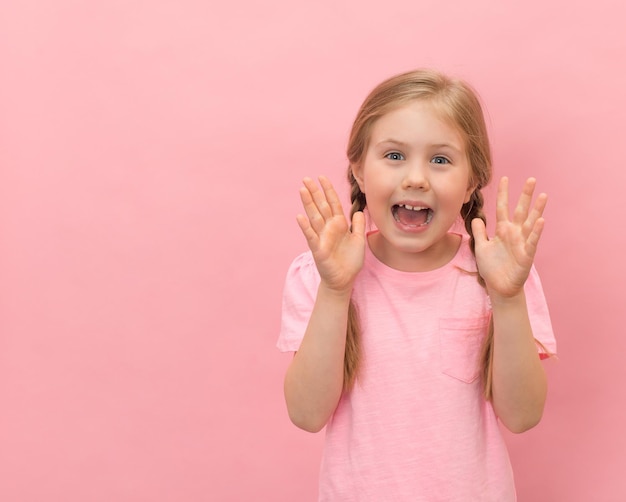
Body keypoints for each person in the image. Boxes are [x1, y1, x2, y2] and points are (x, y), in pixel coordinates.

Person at [277, 69, 556, 501]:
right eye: (394, 156)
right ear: (358, 169)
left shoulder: (498, 277)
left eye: (441, 160)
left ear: (469, 184)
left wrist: (507, 298)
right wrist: (335, 291)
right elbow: (307, 414)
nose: (416, 178)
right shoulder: (319, 273)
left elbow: (521, 416)